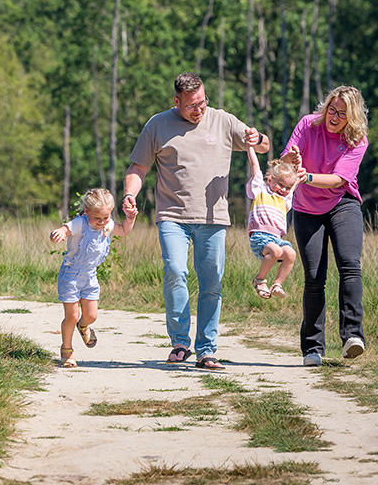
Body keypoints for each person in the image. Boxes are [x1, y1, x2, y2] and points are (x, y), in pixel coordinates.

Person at [124, 73, 269, 371]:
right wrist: (129, 194)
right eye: (192, 105)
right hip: (172, 216)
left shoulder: (223, 120)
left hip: (213, 217)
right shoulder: (157, 125)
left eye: (202, 102)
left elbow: (262, 145)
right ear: (177, 102)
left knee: (211, 281)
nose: (199, 110)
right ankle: (180, 343)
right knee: (175, 271)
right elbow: (138, 166)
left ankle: (206, 349)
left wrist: (259, 138)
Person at [280, 85, 370, 367]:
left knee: (349, 264)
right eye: (332, 109)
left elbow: (338, 180)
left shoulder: (358, 139)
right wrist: (291, 161)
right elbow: (284, 163)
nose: (334, 116)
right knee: (315, 277)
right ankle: (312, 348)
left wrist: (307, 177)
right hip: (306, 208)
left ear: (352, 116)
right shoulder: (308, 124)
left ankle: (353, 336)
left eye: (342, 113)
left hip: (342, 202)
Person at [49, 188, 137, 368]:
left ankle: (84, 327)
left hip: (90, 275)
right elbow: (66, 229)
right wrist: (58, 232)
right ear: (87, 212)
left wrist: (130, 218)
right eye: (98, 218)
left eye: (106, 217)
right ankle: (67, 351)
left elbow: (123, 231)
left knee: (91, 315)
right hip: (71, 275)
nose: (102, 222)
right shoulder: (80, 223)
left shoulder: (108, 224)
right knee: (71, 316)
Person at [245, 145, 300, 300]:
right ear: (270, 180)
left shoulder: (285, 200)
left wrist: (298, 163)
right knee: (275, 251)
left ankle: (277, 284)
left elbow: (295, 182)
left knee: (291, 254)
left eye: (287, 188)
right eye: (280, 185)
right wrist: (250, 147)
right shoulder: (260, 190)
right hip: (259, 237)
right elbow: (255, 165)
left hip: (276, 238)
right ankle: (260, 280)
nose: (283, 190)